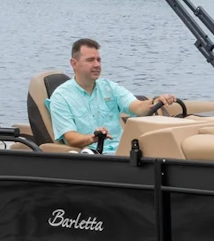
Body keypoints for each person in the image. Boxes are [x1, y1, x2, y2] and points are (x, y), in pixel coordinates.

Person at [48, 37, 178, 154]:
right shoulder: (61, 97)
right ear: (74, 64)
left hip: (123, 152)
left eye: (98, 60)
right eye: (90, 60)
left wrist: (155, 101)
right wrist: (92, 138)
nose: (97, 65)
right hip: (94, 157)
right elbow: (70, 137)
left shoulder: (109, 87)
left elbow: (137, 107)